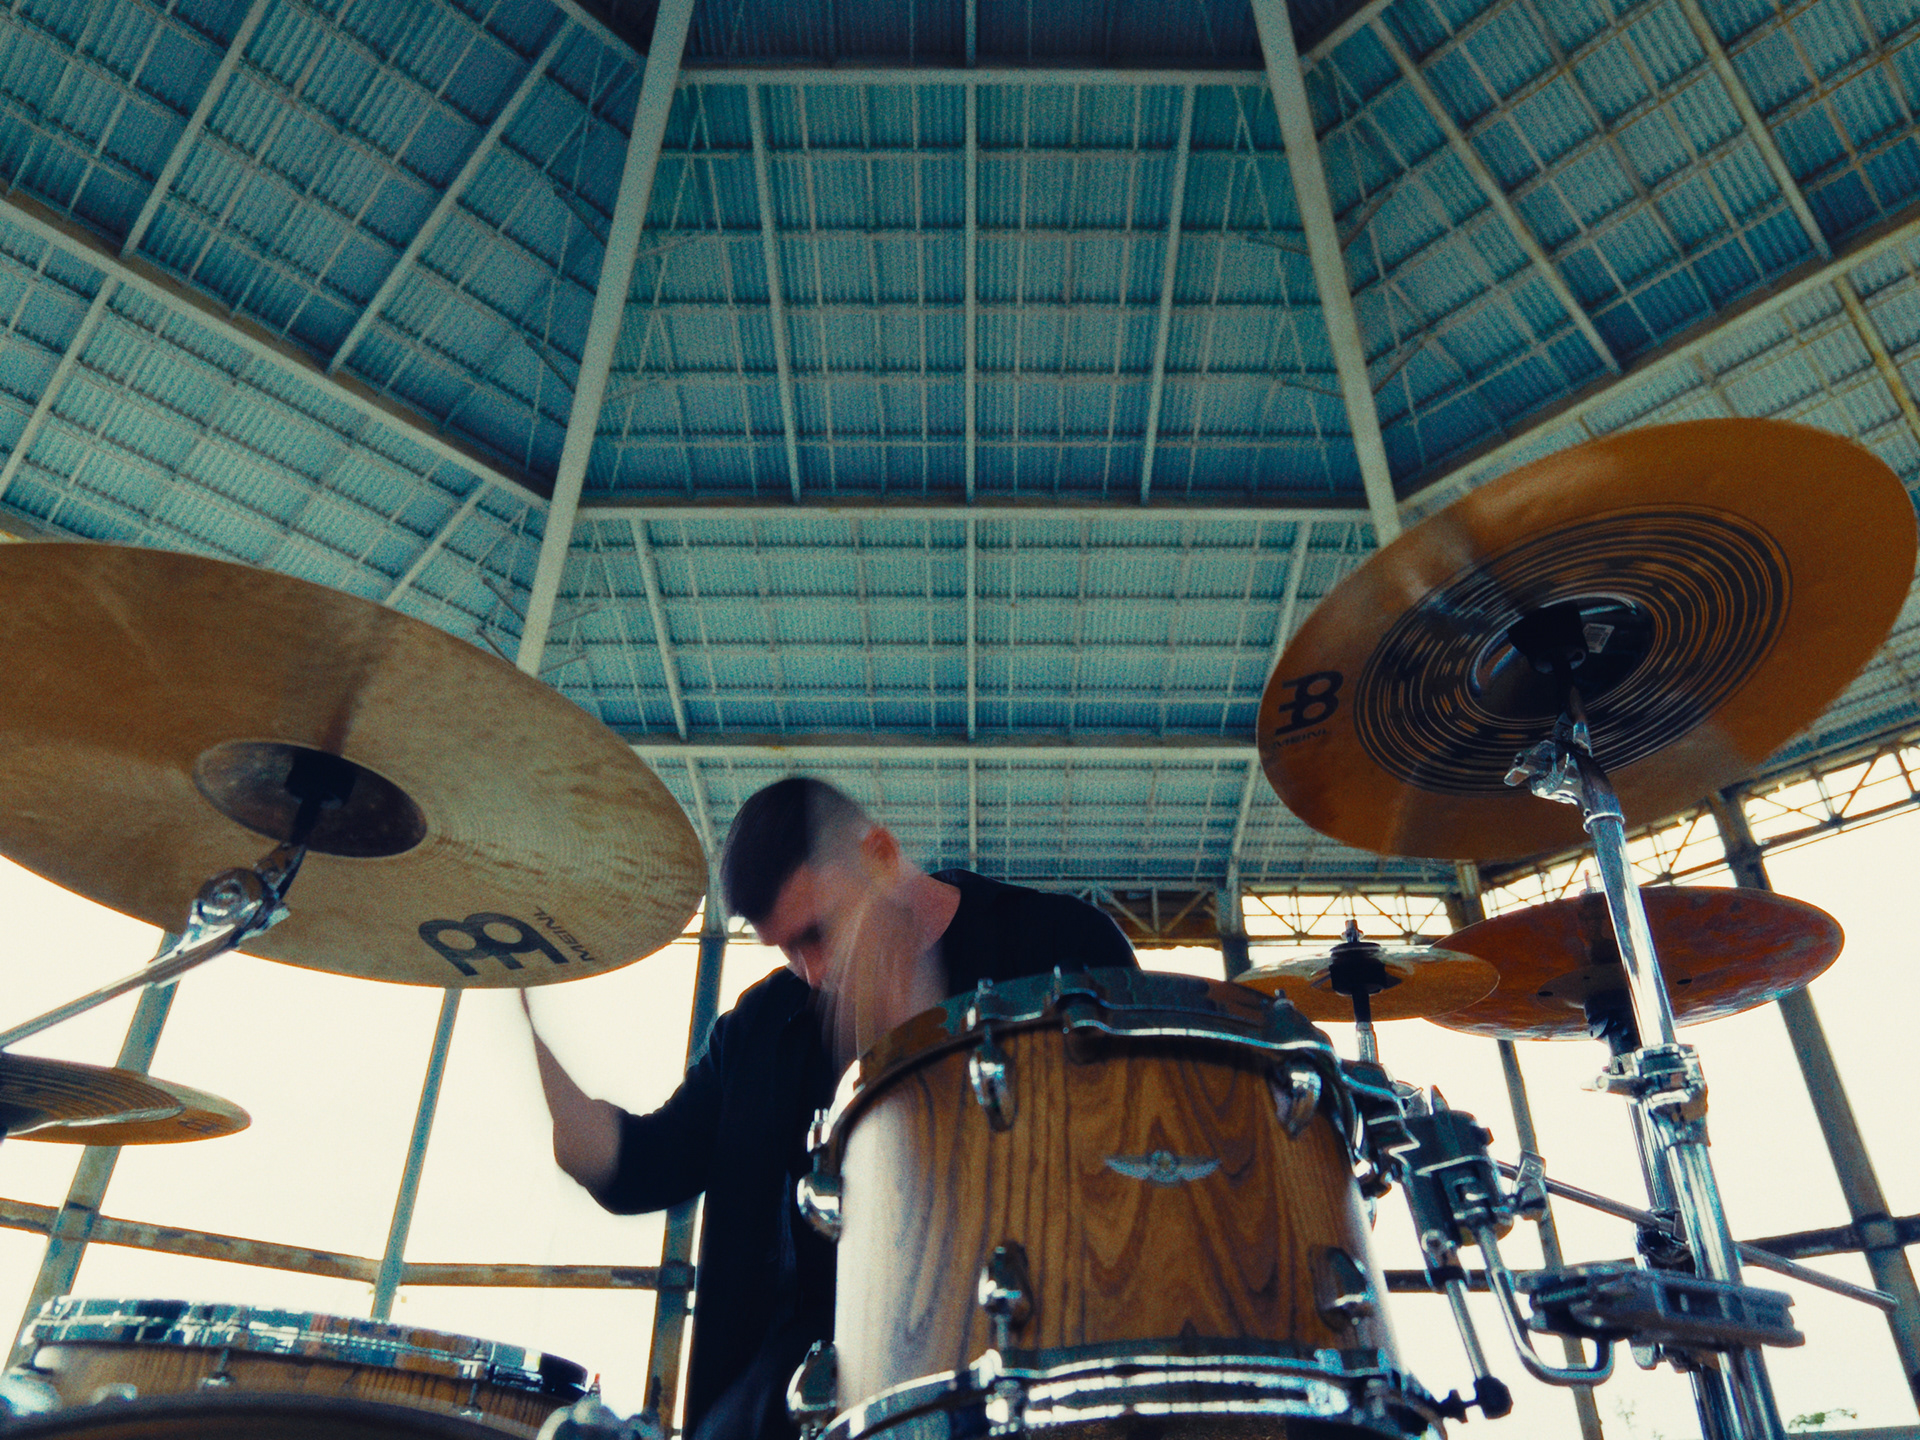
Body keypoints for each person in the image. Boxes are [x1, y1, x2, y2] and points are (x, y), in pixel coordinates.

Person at [523, 776, 1137, 1440]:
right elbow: (646, 1165)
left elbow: (1129, 1173)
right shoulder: (760, 1026)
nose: (811, 971)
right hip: (800, 1406)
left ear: (881, 855)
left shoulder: (1060, 946)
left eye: (816, 933)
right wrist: (529, 1028)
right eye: (787, 949)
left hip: (1030, 1374)